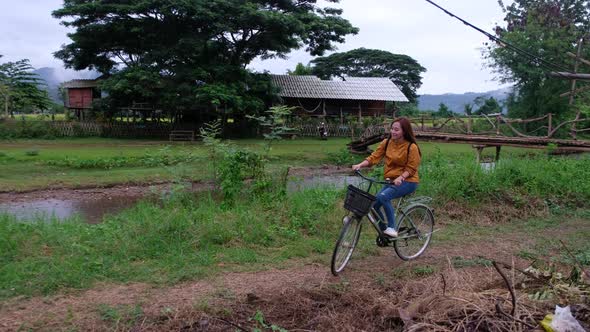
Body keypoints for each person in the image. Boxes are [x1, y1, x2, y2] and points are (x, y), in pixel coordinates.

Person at [352, 117, 421, 237]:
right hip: (391, 181)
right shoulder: (387, 142)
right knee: (374, 205)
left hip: (408, 181)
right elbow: (374, 157)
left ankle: (392, 228)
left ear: (404, 131)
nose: (393, 132)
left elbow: (411, 168)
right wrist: (360, 165)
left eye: (397, 130)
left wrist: (401, 177)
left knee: (383, 197)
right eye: (392, 129)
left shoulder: (411, 147)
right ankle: (384, 233)